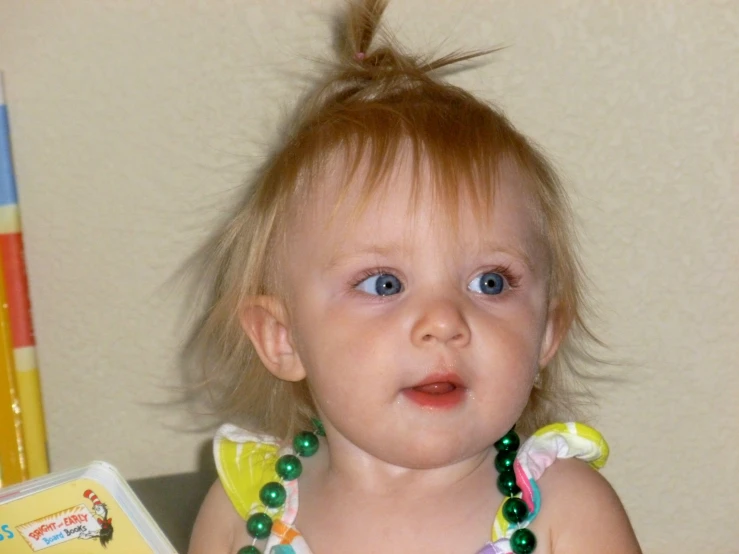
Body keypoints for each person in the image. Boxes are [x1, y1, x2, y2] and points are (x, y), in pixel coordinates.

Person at [186, 1, 641, 553]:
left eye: (490, 283)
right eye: (384, 284)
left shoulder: (568, 513)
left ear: (547, 331)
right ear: (283, 338)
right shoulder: (245, 509)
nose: (443, 322)